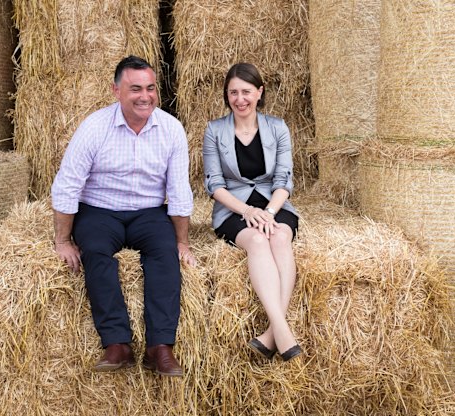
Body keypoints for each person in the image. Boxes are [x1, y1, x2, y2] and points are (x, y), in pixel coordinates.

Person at [51, 55, 196, 377]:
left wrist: (182, 242)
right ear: (116, 91)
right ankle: (117, 344)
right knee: (96, 253)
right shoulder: (94, 127)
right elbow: (68, 183)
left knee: (164, 254)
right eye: (135, 89)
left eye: (150, 88)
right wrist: (62, 240)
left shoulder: (171, 129)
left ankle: (160, 347)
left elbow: (179, 189)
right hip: (100, 209)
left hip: (148, 211)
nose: (144, 96)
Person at [203, 62, 301, 361]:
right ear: (227, 95)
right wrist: (246, 210)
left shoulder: (278, 127)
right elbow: (214, 184)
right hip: (233, 208)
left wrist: (269, 212)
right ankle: (282, 330)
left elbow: (284, 180)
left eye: (246, 91)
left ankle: (273, 333)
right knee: (258, 241)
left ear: (259, 92)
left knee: (279, 238)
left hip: (275, 203)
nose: (240, 99)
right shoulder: (214, 130)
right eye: (233, 92)